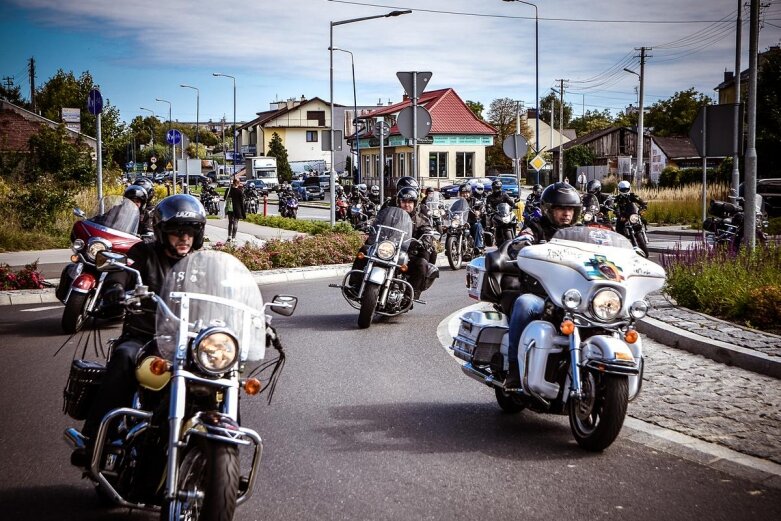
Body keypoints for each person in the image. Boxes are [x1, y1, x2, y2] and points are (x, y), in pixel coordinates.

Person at [73, 194, 207, 466]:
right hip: (145, 336)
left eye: (190, 232)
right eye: (177, 232)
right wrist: (115, 288)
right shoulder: (144, 253)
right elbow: (122, 271)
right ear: (162, 233)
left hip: (190, 341)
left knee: (222, 375)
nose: (184, 238)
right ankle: (95, 438)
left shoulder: (204, 263)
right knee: (124, 358)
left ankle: (222, 453)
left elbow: (226, 290)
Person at [504, 182, 581, 388]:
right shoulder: (536, 228)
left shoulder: (580, 234)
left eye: (571, 209)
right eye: (561, 209)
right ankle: (514, 368)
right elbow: (521, 240)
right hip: (541, 296)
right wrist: (522, 245)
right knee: (524, 305)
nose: (567, 214)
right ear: (549, 209)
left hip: (575, 298)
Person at [349, 186, 438, 300]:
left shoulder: (420, 219)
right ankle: (355, 284)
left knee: (422, 264)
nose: (407, 204)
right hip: (387, 248)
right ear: (399, 202)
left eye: (410, 202)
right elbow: (378, 220)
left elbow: (427, 229)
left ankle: (410, 295)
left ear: (415, 203)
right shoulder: (391, 215)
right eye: (404, 201)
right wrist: (368, 223)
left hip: (407, 253)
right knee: (364, 250)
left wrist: (426, 238)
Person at [457, 183, 485, 255]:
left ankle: (478, 247)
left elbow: (481, 206)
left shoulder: (474, 200)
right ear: (460, 193)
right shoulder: (457, 202)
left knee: (477, 226)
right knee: (450, 229)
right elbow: (451, 209)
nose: (465, 194)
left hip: (471, 222)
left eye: (466, 192)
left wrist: (479, 211)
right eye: (463, 193)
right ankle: (449, 247)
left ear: (470, 193)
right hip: (460, 223)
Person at [224, 176, 246, 241]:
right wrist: (243, 213)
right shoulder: (239, 191)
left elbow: (224, 198)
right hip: (237, 209)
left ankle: (229, 236)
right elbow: (241, 203)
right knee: (235, 223)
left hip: (230, 208)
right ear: (238, 183)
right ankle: (233, 238)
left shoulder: (228, 190)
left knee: (230, 222)